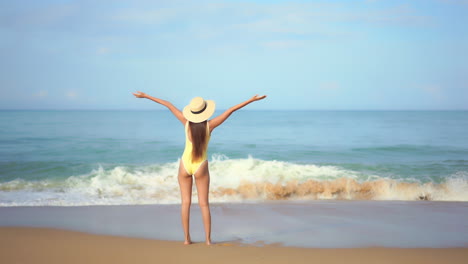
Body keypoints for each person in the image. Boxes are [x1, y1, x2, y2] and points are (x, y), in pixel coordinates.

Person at [132, 92, 267, 245]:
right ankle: (208, 240)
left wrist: (146, 96)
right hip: (201, 166)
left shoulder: (185, 122)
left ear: (192, 112)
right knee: (204, 204)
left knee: (185, 203)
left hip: (184, 165)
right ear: (205, 111)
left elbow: (167, 104)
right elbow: (230, 110)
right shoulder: (210, 125)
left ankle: (186, 239)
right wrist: (251, 99)